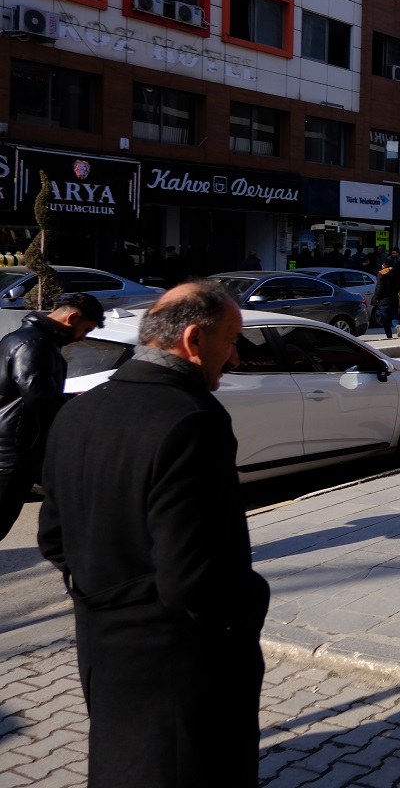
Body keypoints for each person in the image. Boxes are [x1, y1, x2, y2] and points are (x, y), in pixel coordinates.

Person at [39, 282, 268, 787]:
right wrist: (252, 601)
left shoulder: (77, 411)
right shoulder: (193, 421)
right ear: (192, 340)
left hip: (103, 651)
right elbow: (196, 579)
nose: (233, 359)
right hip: (180, 668)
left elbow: (53, 539)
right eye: (231, 342)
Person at [0, 294, 104, 541]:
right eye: (85, 329)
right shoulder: (34, 344)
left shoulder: (24, 339)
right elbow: (40, 398)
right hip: (15, 452)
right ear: (72, 317)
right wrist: (82, 402)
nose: (83, 337)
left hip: (23, 447)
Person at [372, 260, 400, 338]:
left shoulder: (381, 274)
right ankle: (397, 325)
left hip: (384, 300)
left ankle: (389, 336)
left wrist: (376, 297)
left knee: (385, 319)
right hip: (394, 298)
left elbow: (379, 287)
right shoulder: (396, 273)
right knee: (394, 316)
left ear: (383, 266)